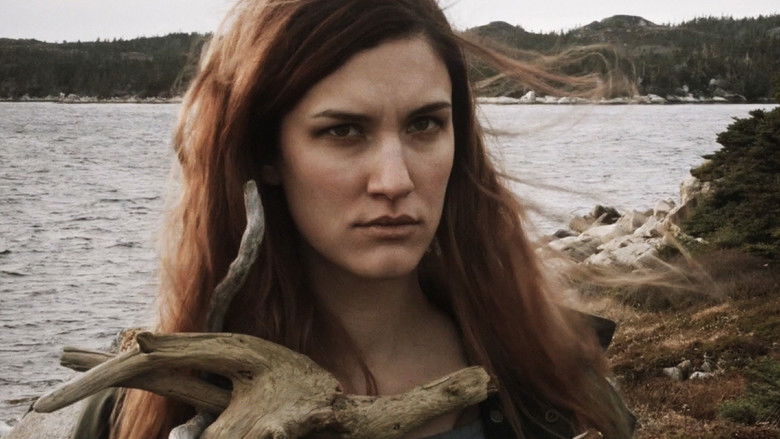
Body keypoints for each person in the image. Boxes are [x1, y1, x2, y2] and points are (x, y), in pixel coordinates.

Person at [74, 0, 636, 438]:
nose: (394, 180)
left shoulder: (551, 380)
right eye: (343, 131)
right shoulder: (148, 405)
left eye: (424, 125)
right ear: (267, 153)